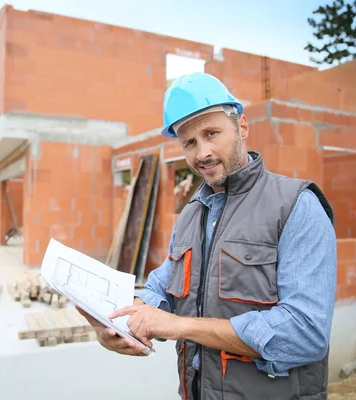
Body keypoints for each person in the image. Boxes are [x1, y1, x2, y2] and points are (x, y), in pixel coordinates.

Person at [77, 72, 337, 400]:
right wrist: (120, 320)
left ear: (241, 127)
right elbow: (163, 286)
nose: (202, 153)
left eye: (212, 133)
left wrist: (178, 326)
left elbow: (306, 334)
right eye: (190, 142)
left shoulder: (296, 206)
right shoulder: (190, 215)